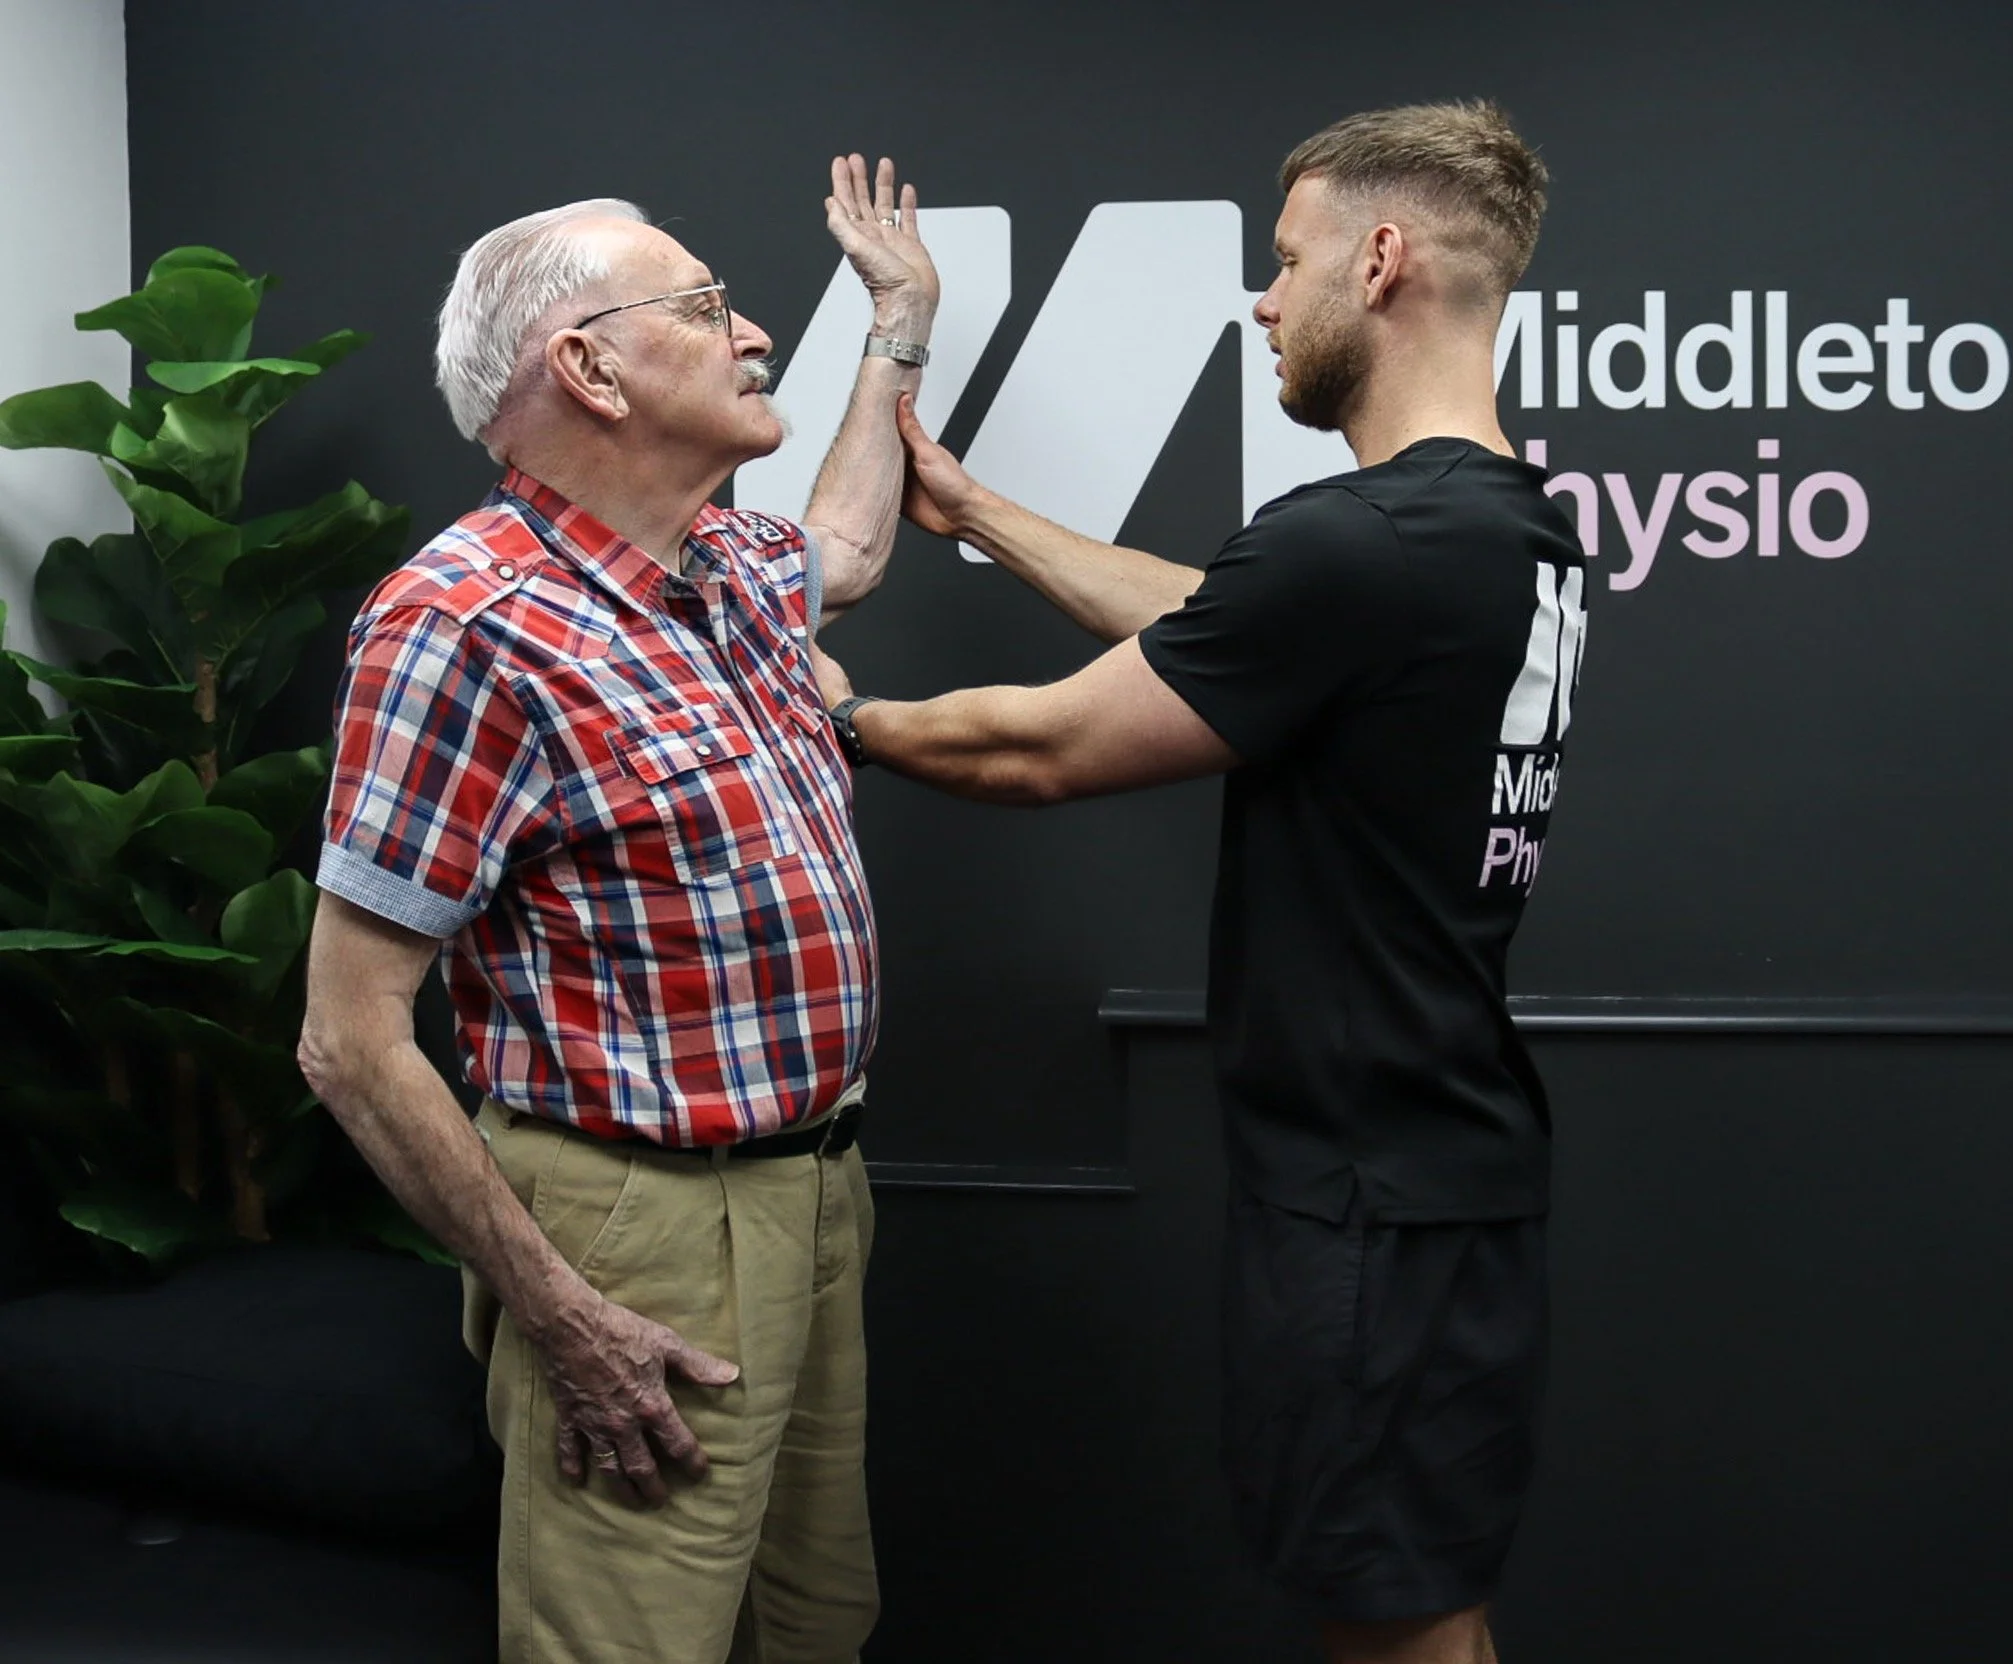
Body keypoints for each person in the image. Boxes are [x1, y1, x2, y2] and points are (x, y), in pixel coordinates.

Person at [814, 102, 1582, 1664]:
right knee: (1428, 1601)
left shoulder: (1360, 542)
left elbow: (1034, 751)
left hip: (1364, 1197)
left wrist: (826, 710)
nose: (1261, 298)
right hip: (1443, 1174)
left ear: (1379, 261)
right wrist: (978, 516)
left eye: (1285, 259)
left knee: (1392, 1630)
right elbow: (1229, 629)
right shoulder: (1508, 532)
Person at [297, 155, 938, 1664]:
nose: (752, 331)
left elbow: (841, 541)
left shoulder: (722, 565)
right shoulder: (463, 622)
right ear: (584, 365)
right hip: (635, 1225)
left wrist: (899, 320)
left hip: (815, 1188)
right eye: (707, 306)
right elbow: (348, 1040)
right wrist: (560, 1315)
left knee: (814, 1623)